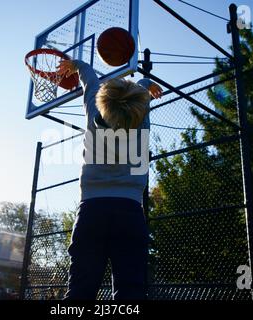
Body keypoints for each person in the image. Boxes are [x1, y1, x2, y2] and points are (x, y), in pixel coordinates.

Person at [57, 59, 162, 300]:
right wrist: (147, 82)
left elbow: (89, 77)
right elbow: (142, 91)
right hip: (130, 212)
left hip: (92, 211)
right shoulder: (141, 123)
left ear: (102, 102)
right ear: (139, 107)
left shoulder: (94, 113)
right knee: (130, 292)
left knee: (80, 292)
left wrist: (76, 64)